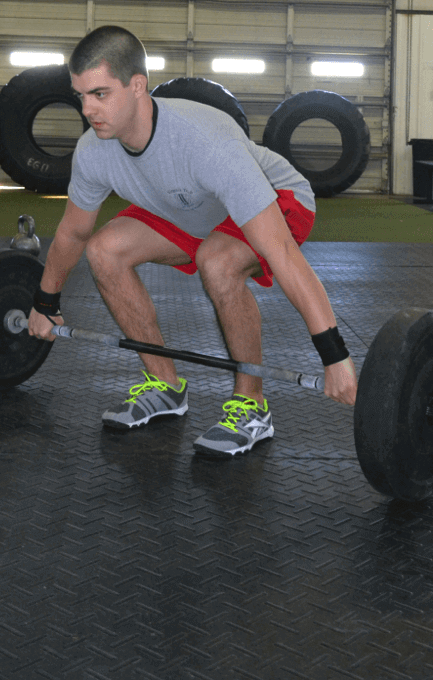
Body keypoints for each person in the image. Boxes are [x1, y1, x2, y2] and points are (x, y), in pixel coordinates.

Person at [26, 26, 358, 457]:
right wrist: (45, 302)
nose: (88, 109)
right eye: (81, 96)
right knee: (103, 251)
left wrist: (334, 356)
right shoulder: (94, 151)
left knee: (217, 262)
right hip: (189, 210)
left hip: (277, 199)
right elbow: (73, 232)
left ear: (138, 86)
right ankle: (164, 386)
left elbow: (282, 254)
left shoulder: (204, 142)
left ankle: (251, 406)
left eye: (100, 94)